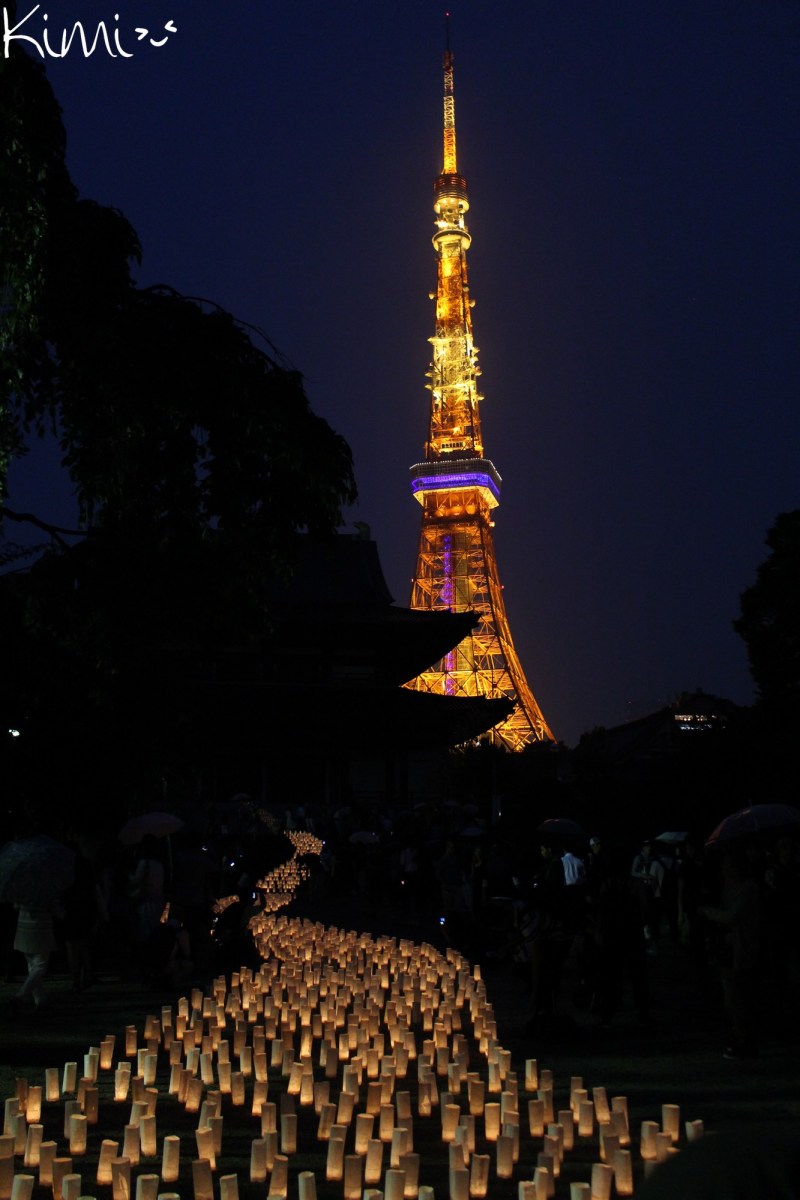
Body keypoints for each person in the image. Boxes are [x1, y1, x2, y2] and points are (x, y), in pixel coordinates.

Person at [700, 846, 761, 1058]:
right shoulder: (729, 887)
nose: (722, 869)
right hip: (729, 948)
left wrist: (707, 912)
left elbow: (731, 916)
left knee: (739, 997)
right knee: (731, 998)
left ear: (735, 868)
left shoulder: (748, 889)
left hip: (741, 948)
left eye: (726, 865)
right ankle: (739, 1036)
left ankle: (745, 1040)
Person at [12, 901, 59, 1012]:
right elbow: (57, 912)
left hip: (24, 929)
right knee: (40, 965)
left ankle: (40, 1000)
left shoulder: (22, 892)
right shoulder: (47, 894)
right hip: (41, 930)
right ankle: (20, 995)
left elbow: (16, 906)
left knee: (32, 967)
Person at [631, 838, 665, 953]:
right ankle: (644, 930)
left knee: (650, 908)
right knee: (645, 908)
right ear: (643, 848)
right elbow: (632, 872)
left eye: (650, 846)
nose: (649, 848)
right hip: (641, 887)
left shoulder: (651, 858)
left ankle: (648, 930)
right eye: (647, 846)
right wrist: (644, 876)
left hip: (650, 887)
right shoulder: (638, 858)